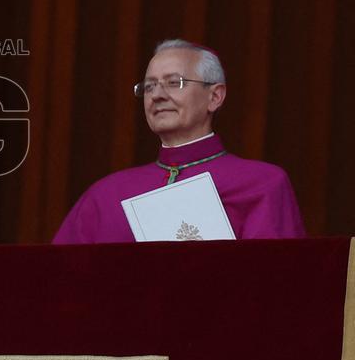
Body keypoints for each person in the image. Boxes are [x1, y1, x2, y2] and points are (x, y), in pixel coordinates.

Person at [53, 39, 305, 244]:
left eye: (174, 83)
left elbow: (278, 278)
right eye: (149, 86)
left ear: (215, 97)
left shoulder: (261, 184)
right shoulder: (106, 195)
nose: (157, 95)